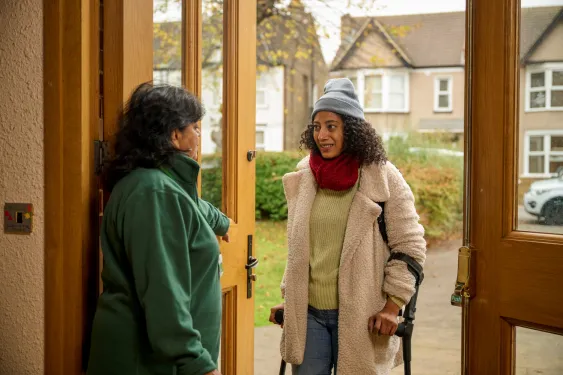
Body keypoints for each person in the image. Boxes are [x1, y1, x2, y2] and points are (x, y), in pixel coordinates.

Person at [269, 78, 426, 375]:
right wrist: (290, 298)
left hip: (362, 316)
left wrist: (392, 308)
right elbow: (301, 247)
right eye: (316, 127)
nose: (322, 135)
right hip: (309, 315)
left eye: (331, 126)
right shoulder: (306, 174)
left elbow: (411, 246)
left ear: (352, 131)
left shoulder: (384, 177)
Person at [87, 82, 229, 375]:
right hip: (147, 362)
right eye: (196, 128)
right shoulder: (154, 194)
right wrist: (197, 363)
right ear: (175, 136)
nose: (200, 137)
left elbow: (192, 205)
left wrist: (221, 221)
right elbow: (163, 291)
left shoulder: (155, 185)